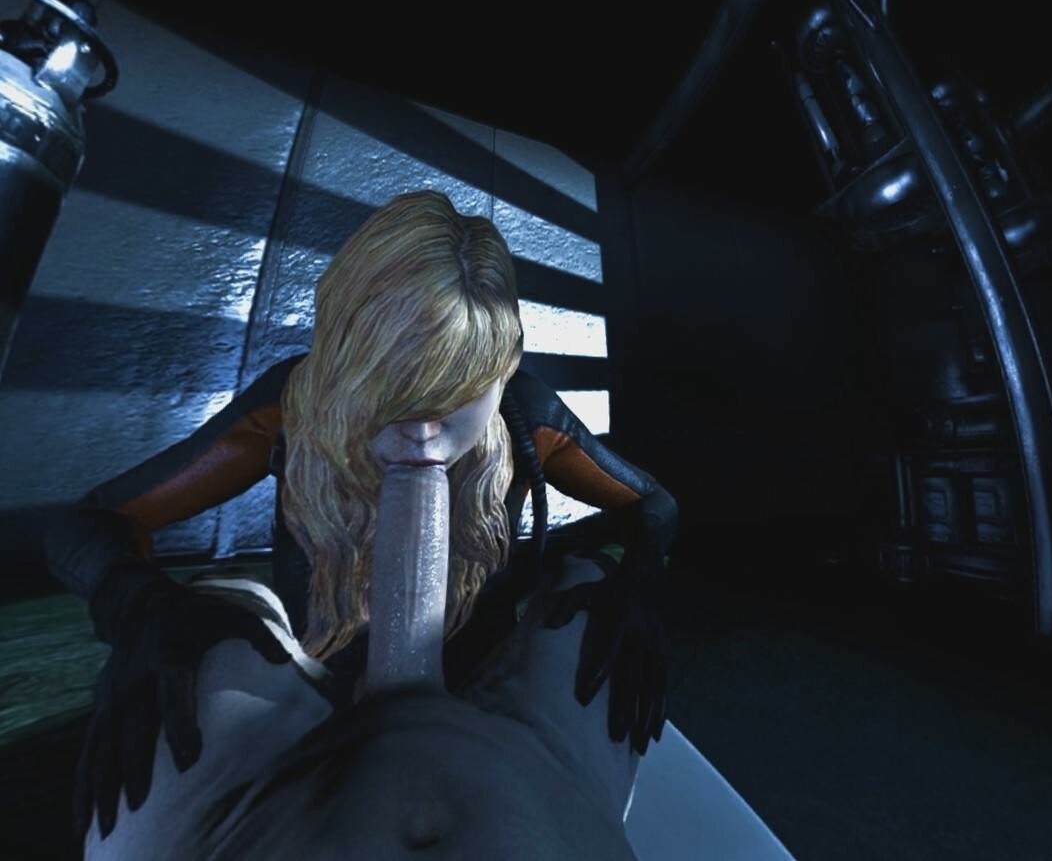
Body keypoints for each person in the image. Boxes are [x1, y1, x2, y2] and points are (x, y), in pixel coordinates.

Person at [41, 190, 677, 845]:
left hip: (484, 687)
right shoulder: (293, 404)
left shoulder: (526, 417)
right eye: (392, 392)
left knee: (589, 597)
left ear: (503, 365)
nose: (421, 430)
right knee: (213, 623)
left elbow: (651, 504)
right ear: (344, 358)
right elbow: (91, 522)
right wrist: (139, 603)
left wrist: (639, 580)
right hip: (310, 691)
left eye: (456, 393)